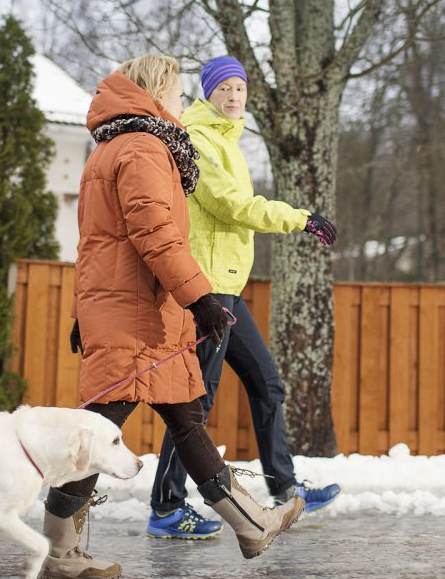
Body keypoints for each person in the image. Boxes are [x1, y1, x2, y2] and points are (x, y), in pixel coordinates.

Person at [41, 54, 305, 579]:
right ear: (158, 92)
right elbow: (155, 233)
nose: (184, 104)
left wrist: (83, 312)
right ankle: (58, 554)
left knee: (186, 418)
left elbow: (94, 246)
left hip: (132, 312)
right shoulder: (142, 148)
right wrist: (200, 297)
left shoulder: (113, 147)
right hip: (137, 315)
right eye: (180, 94)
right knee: (97, 434)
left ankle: (252, 526)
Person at [145, 55, 341, 541]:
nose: (234, 97)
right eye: (224, 88)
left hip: (230, 286)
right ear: (207, 93)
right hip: (207, 290)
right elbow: (231, 206)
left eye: (240, 88)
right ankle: (165, 507)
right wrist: (298, 218)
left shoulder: (229, 140)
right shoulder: (199, 139)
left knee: (267, 385)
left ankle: (284, 486)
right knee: (196, 403)